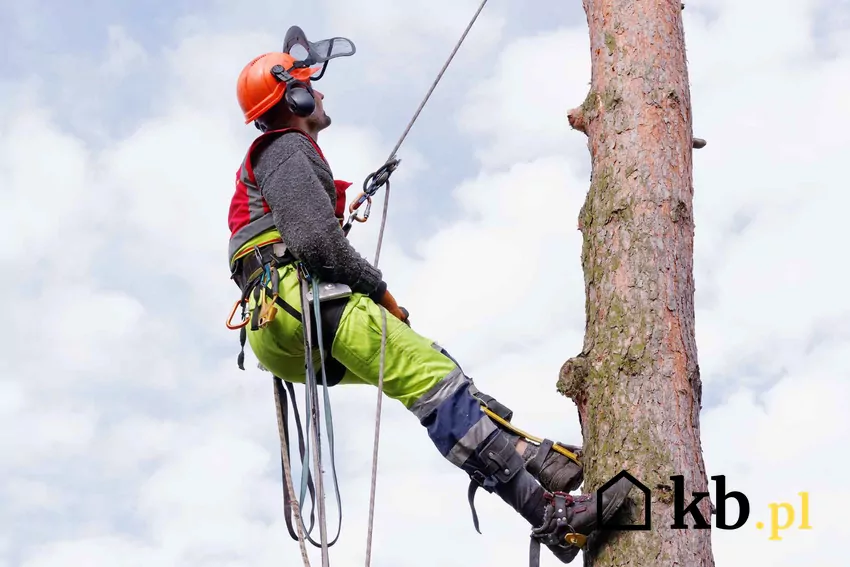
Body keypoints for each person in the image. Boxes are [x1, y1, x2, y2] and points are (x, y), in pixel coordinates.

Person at [226, 39, 633, 564]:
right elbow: (315, 243)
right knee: (436, 386)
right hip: (295, 301)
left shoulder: (276, 162)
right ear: (295, 100)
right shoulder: (287, 148)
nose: (319, 93)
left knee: (434, 370)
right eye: (309, 86)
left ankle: (538, 461)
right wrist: (377, 288)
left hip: (277, 327)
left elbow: (300, 236)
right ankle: (552, 515)